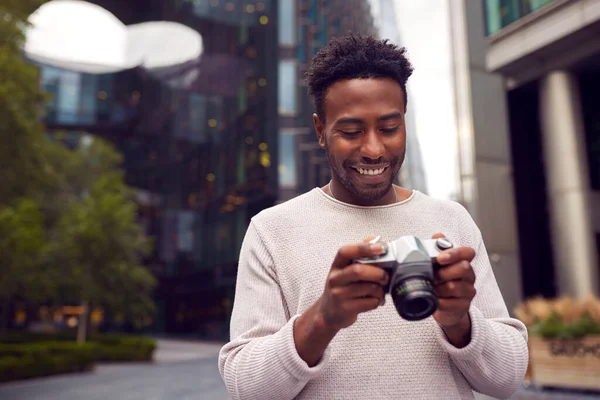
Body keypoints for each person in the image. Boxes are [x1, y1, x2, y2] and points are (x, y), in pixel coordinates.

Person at [218, 34, 528, 400]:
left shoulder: (451, 219)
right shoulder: (273, 230)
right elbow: (246, 388)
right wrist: (323, 319)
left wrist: (460, 321)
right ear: (321, 132)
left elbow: (507, 380)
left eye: (389, 128)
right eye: (351, 132)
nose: (374, 149)